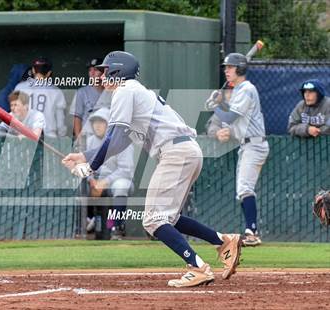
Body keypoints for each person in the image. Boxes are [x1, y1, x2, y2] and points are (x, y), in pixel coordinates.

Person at [62, 51, 242, 287]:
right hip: (184, 151)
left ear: (118, 71)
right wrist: (85, 156)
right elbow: (121, 141)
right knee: (170, 219)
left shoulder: (125, 90)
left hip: (175, 153)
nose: (102, 75)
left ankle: (198, 267)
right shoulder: (135, 91)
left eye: (106, 70)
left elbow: (114, 137)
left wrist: (90, 167)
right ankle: (223, 241)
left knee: (153, 220)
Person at [210, 53, 269, 247]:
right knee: (242, 190)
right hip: (247, 144)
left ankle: (252, 232)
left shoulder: (246, 89)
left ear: (240, 69)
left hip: (254, 144)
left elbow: (229, 118)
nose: (226, 70)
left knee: (244, 188)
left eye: (230, 67)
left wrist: (215, 106)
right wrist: (221, 106)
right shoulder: (240, 90)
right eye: (225, 67)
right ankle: (251, 231)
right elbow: (234, 119)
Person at [85, 107, 134, 240]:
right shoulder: (91, 140)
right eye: (95, 122)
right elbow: (89, 165)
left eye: (101, 122)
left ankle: (117, 227)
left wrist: (104, 182)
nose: (97, 125)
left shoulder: (123, 140)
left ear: (109, 124)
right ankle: (91, 220)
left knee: (121, 186)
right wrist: (92, 180)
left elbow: (126, 170)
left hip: (120, 178)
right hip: (99, 179)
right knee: (82, 185)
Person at [15, 57, 67, 138]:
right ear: (49, 73)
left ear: (33, 70)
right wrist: (61, 136)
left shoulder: (20, 87)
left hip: (25, 137)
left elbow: (15, 116)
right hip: (49, 137)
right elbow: (60, 124)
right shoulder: (56, 91)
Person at [69, 58, 112, 142]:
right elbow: (77, 119)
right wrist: (79, 140)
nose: (92, 73)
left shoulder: (111, 92)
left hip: (107, 138)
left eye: (95, 70)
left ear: (104, 72)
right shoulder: (82, 92)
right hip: (88, 137)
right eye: (90, 70)